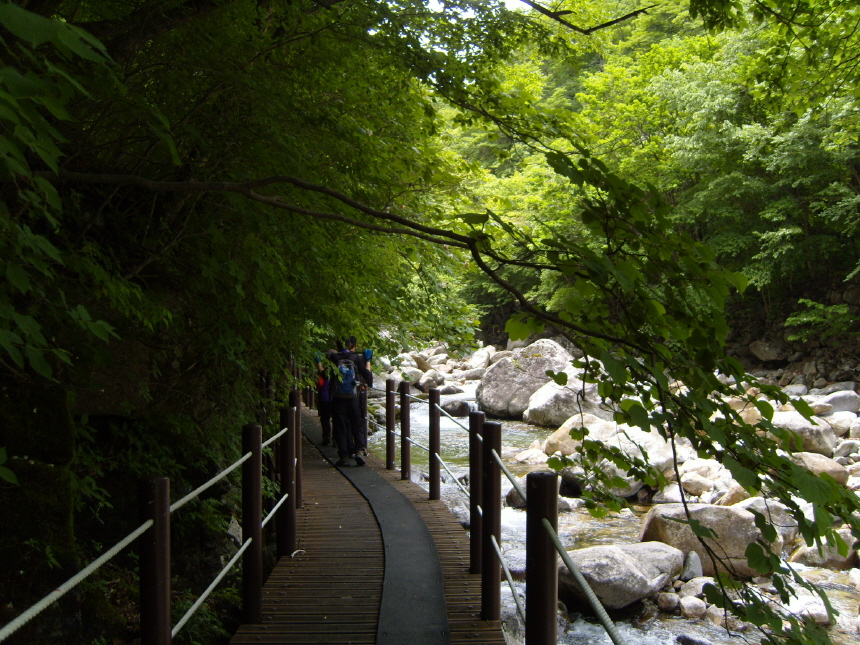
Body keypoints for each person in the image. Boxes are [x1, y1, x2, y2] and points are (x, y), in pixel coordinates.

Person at [328, 336, 372, 466]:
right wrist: (367, 360)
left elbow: (325, 375)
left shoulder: (335, 359)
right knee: (357, 425)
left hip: (338, 399)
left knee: (340, 427)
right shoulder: (357, 358)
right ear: (355, 346)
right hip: (354, 398)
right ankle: (359, 450)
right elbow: (367, 375)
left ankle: (344, 457)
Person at [315, 350, 335, 446]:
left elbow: (323, 373)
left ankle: (327, 437)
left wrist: (318, 362)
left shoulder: (326, 369)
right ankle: (335, 439)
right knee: (336, 419)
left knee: (325, 418)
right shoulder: (338, 368)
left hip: (325, 396)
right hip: (335, 397)